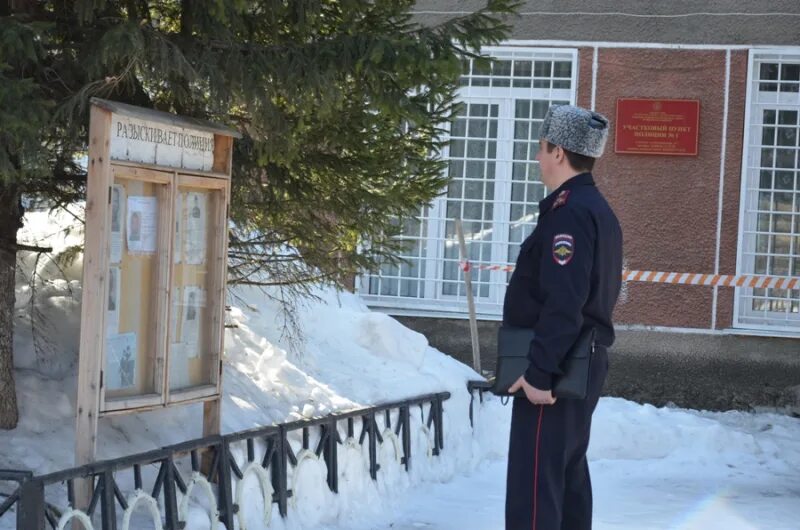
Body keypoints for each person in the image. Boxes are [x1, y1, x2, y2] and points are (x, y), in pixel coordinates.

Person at [503, 104, 622, 530]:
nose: (537, 157)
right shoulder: (594, 207)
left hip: (557, 371)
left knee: (535, 492)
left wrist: (539, 373)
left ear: (557, 152)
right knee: (566, 484)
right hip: (577, 364)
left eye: (541, 147)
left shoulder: (570, 213)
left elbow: (565, 300)